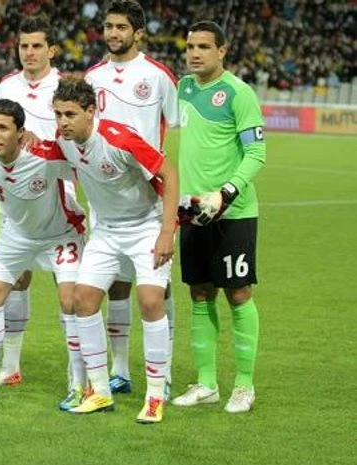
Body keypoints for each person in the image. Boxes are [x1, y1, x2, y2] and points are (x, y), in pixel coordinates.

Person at [52, 77, 178, 423]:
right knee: (83, 300)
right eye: (59, 114)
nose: (62, 122)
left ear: (91, 112)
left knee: (151, 300)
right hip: (106, 231)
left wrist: (167, 231)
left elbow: (169, 172)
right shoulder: (63, 142)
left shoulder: (118, 139)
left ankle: (155, 396)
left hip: (146, 226)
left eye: (70, 115)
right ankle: (99, 390)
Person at [0, 99, 86, 405]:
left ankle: (79, 384)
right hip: (17, 236)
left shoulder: (45, 156)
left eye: (3, 128)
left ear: (21, 133)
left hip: (61, 234)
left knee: (71, 302)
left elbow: (85, 164)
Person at [83, 0, 179, 396]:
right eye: (108, 26)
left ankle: (164, 373)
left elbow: (177, 128)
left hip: (149, 197)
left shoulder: (158, 76)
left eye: (121, 27)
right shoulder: (92, 76)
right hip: (105, 197)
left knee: (156, 289)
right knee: (115, 286)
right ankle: (119, 368)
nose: (113, 34)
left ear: (139, 32)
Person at [171, 20, 265, 414]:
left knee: (238, 292)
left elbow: (257, 155)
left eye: (204, 47)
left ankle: (244, 385)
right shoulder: (184, 88)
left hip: (234, 213)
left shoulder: (238, 93)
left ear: (222, 51)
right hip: (192, 213)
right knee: (199, 292)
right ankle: (206, 383)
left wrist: (225, 193)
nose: (195, 53)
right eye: (190, 46)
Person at [0, 16, 64, 387]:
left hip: (58, 201)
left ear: (51, 50)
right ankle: (11, 364)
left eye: (37, 46)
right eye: (24, 46)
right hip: (15, 201)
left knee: (67, 286)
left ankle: (80, 371)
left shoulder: (65, 88)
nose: (30, 52)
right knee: (16, 280)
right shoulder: (5, 86)